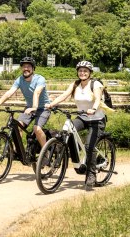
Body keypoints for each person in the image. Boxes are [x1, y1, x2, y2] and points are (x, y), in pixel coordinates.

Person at [46, 60, 106, 189]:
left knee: (90, 146)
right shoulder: (75, 84)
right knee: (66, 129)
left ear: (90, 73)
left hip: (97, 119)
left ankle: (91, 174)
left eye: (85, 71)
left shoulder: (95, 84)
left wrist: (93, 109)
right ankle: (65, 150)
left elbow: (98, 99)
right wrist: (51, 104)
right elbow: (64, 95)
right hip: (83, 117)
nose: (82, 73)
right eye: (80, 71)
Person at [0, 56, 51, 148]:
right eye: (24, 66)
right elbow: (9, 93)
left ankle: (45, 152)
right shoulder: (19, 80)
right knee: (17, 127)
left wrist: (34, 107)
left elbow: (37, 92)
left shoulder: (40, 79)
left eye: (28, 66)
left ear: (33, 68)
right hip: (29, 108)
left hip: (43, 109)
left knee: (37, 129)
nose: (26, 68)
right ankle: (18, 151)